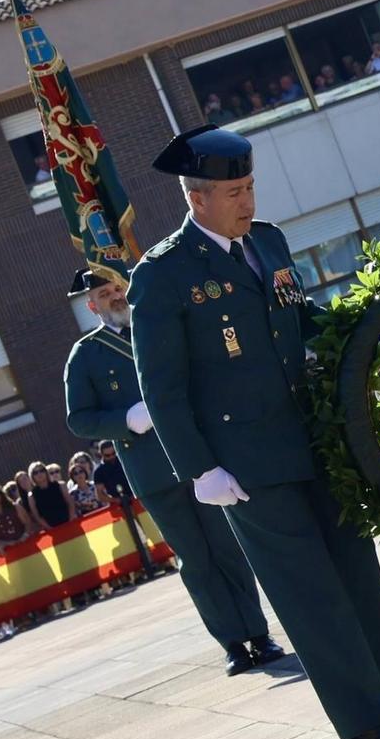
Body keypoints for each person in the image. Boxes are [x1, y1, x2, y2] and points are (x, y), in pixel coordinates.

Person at [131, 124, 380, 739]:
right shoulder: (163, 275)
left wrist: (367, 335)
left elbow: (302, 318)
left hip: (312, 436)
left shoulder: (268, 242)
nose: (247, 201)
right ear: (198, 198)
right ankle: (363, 723)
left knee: (354, 570)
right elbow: (163, 389)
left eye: (250, 187)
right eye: (234, 192)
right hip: (244, 464)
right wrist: (199, 470)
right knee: (308, 590)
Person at [67, 267, 277, 668]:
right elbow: (79, 418)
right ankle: (232, 644)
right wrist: (126, 418)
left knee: (227, 550)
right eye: (105, 293)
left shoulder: (156, 330)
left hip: (196, 458)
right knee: (196, 561)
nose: (115, 295)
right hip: (152, 471)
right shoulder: (86, 355)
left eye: (117, 287)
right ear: (92, 305)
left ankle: (259, 634)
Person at [27, 463, 76, 531]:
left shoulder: (60, 485)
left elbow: (70, 504)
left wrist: (71, 520)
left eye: (41, 470)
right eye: (35, 473)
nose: (39, 474)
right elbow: (37, 516)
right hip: (52, 529)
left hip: (69, 523)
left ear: (46, 472)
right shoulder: (31, 495)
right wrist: (50, 528)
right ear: (32, 476)